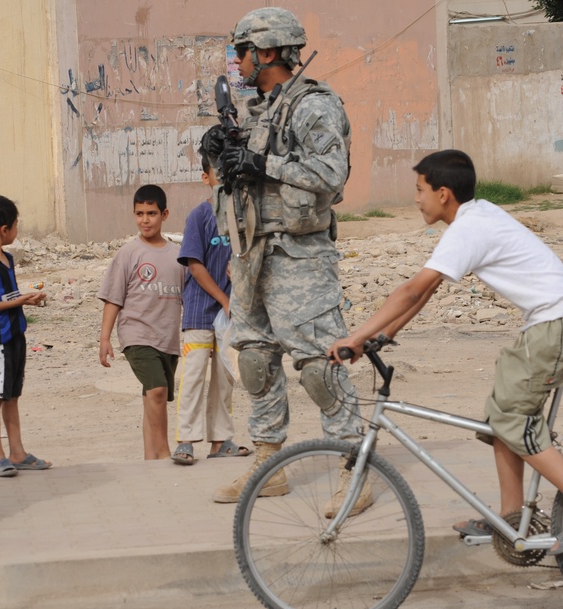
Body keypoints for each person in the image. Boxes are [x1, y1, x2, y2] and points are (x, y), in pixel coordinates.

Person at [329, 150, 563, 554]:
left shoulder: (468, 229)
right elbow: (428, 291)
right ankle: (511, 517)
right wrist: (386, 334)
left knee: (512, 420)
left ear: (444, 193)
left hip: (556, 323)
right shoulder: (476, 215)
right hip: (550, 321)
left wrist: (355, 337)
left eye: (420, 190)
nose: (416, 199)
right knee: (500, 417)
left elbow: (413, 288)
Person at [204, 6, 367, 513]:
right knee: (253, 356)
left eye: (243, 53)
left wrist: (262, 162)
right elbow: (236, 168)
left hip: (299, 254)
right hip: (251, 251)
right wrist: (217, 152)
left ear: (268, 52)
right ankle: (269, 461)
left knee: (319, 364)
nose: (238, 63)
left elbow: (330, 173)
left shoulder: (312, 105)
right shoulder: (257, 108)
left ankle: (352, 466)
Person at [171, 143, 246, 465]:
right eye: (219, 175)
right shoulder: (199, 216)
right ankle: (185, 441)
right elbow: (195, 265)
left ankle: (220, 440)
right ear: (206, 177)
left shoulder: (240, 215)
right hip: (202, 312)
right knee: (193, 376)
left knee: (225, 378)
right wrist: (224, 298)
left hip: (231, 316)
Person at [98, 184, 186, 460]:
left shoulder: (177, 255)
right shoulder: (128, 253)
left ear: (165, 214)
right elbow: (113, 298)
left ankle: (150, 458)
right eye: (139, 213)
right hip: (136, 336)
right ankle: (163, 452)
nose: (145, 220)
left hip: (168, 339)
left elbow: (189, 295)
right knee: (158, 390)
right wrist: (105, 339)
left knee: (153, 396)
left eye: (151, 213)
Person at [0, 194, 50, 478]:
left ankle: (18, 452)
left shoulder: (7, 258)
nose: (18, 230)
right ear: (4, 230)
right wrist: (18, 302)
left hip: (15, 335)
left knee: (12, 395)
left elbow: (5, 295)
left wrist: (26, 298)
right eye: (16, 225)